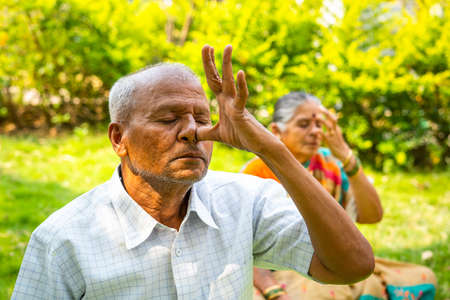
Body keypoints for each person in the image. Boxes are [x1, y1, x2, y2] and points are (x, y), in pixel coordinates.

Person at [12, 46, 375, 299]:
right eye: (168, 119)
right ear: (119, 138)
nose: (193, 132)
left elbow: (353, 266)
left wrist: (271, 148)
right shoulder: (64, 241)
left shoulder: (244, 201)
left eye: (203, 119)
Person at [244, 92, 437, 300]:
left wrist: (346, 155)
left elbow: (372, 215)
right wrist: (274, 291)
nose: (315, 132)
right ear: (276, 131)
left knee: (423, 276)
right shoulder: (257, 173)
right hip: (283, 269)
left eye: (319, 125)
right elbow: (244, 245)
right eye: (304, 124)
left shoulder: (330, 165)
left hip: (334, 262)